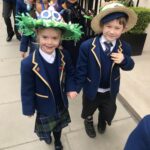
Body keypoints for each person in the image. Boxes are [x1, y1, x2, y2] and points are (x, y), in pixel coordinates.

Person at [18, 6, 82, 150]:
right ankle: (47, 134)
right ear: (37, 35)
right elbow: (27, 89)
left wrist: (72, 88)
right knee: (47, 127)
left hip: (60, 100)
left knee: (58, 126)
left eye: (55, 38)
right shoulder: (28, 64)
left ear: (60, 39)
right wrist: (28, 108)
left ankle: (58, 140)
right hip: (43, 104)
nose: (49, 42)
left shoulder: (64, 55)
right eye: (45, 37)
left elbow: (71, 73)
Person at [74, 2, 137, 138]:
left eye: (117, 28)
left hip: (110, 90)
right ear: (102, 25)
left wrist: (124, 60)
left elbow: (130, 65)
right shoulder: (87, 46)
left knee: (107, 110)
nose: (112, 31)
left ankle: (103, 119)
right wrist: (76, 87)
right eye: (108, 26)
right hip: (92, 88)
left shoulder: (124, 48)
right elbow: (81, 70)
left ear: (123, 29)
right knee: (88, 108)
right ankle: (89, 120)